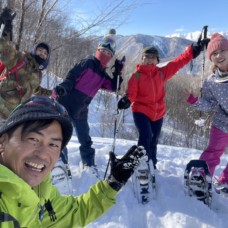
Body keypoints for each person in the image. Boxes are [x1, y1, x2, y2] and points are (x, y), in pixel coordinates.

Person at [0, 95, 146, 227]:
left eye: (53, 145)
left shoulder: (41, 192)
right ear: (3, 142)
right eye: (33, 139)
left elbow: (75, 212)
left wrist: (112, 183)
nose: (43, 154)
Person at [117, 36, 208, 169]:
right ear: (142, 59)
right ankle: (142, 165)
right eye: (146, 57)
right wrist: (127, 99)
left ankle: (151, 165)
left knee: (153, 141)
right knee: (146, 136)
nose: (149, 60)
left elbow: (178, 62)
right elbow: (131, 93)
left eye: (153, 57)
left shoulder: (161, 73)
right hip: (141, 111)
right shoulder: (136, 76)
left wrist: (193, 50)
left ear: (157, 60)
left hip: (158, 114)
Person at [52, 29, 124, 169]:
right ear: (98, 49)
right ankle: (60, 166)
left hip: (81, 110)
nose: (106, 55)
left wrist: (118, 73)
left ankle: (89, 165)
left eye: (109, 54)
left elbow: (114, 87)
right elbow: (71, 76)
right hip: (66, 103)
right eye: (103, 51)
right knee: (59, 137)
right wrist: (63, 87)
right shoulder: (88, 62)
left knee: (85, 140)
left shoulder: (103, 75)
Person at [186, 33, 228, 190]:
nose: (219, 55)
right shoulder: (211, 81)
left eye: (222, 51)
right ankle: (201, 177)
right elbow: (209, 105)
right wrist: (194, 100)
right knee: (212, 152)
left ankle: (225, 182)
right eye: (214, 54)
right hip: (221, 122)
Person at [0, 7, 52, 121]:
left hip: (12, 118)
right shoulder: (20, 58)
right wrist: (4, 25)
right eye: (40, 50)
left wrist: (52, 93)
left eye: (45, 53)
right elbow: (4, 47)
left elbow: (36, 90)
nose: (42, 53)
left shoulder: (37, 74)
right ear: (34, 50)